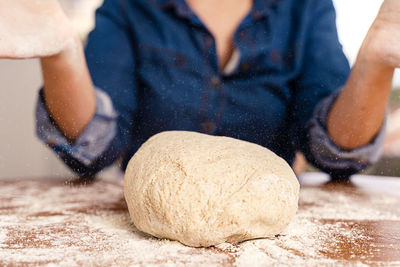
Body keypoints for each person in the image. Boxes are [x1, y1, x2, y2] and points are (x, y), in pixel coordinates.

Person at [0, 0, 397, 178]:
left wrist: (375, 61)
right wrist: (61, 53)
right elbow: (92, 148)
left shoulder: (304, 8)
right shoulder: (130, 7)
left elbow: (335, 154)